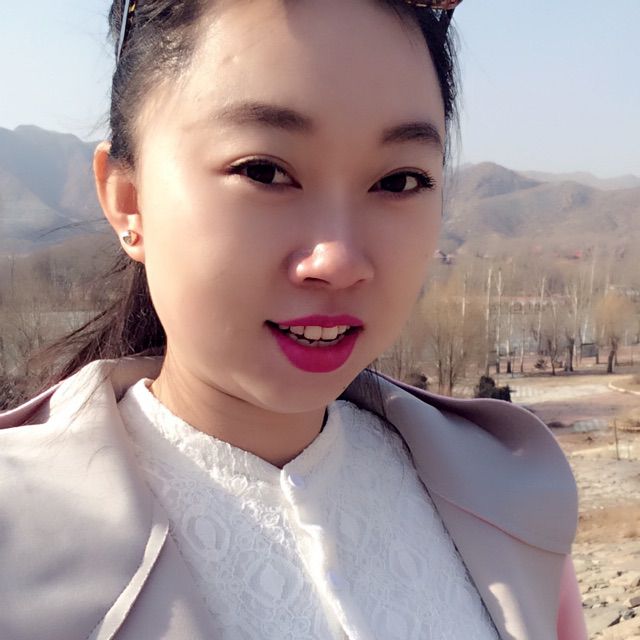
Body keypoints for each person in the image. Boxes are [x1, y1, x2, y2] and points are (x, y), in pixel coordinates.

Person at [0, 1, 587, 638]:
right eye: (265, 171)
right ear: (129, 201)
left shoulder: (509, 498)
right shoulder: (18, 538)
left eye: (399, 181)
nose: (338, 261)